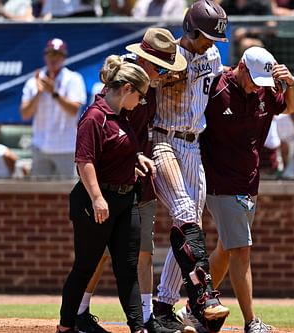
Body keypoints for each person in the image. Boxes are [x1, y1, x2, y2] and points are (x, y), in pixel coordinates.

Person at [75, 28, 188, 333]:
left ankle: (148, 317)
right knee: (99, 252)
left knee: (144, 249)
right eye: (161, 67)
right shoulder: (120, 82)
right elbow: (97, 136)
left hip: (140, 171)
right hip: (113, 175)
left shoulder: (154, 84)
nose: (164, 73)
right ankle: (79, 312)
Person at [196, 46, 294, 333]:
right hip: (220, 182)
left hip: (249, 181)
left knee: (226, 251)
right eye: (253, 79)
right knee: (241, 250)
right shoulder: (215, 88)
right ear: (240, 67)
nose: (256, 87)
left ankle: (195, 307)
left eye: (261, 82)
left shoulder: (264, 90)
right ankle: (251, 322)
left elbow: (290, 106)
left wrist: (289, 83)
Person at [56, 58, 154, 333]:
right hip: (97, 201)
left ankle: (138, 327)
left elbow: (119, 148)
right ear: (126, 88)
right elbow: (84, 161)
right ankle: (65, 327)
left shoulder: (121, 115)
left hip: (126, 199)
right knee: (85, 266)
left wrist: (137, 158)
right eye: (140, 95)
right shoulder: (94, 117)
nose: (142, 101)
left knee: (127, 268)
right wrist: (98, 198)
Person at [151, 1, 230, 332]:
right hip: (164, 139)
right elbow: (138, 74)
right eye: (206, 36)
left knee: (191, 226)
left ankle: (164, 305)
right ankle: (202, 295)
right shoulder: (166, 54)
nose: (211, 42)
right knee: (184, 213)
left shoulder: (212, 57)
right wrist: (162, 76)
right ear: (190, 30)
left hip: (193, 143)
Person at [20, 38, 87, 179]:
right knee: (40, 194)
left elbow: (74, 110)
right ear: (45, 56)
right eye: (51, 54)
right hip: (40, 146)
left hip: (66, 147)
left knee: (68, 192)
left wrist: (54, 93)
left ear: (64, 57)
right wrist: (39, 93)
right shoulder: (34, 81)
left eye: (57, 55)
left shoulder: (73, 79)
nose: (53, 59)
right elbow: (25, 114)